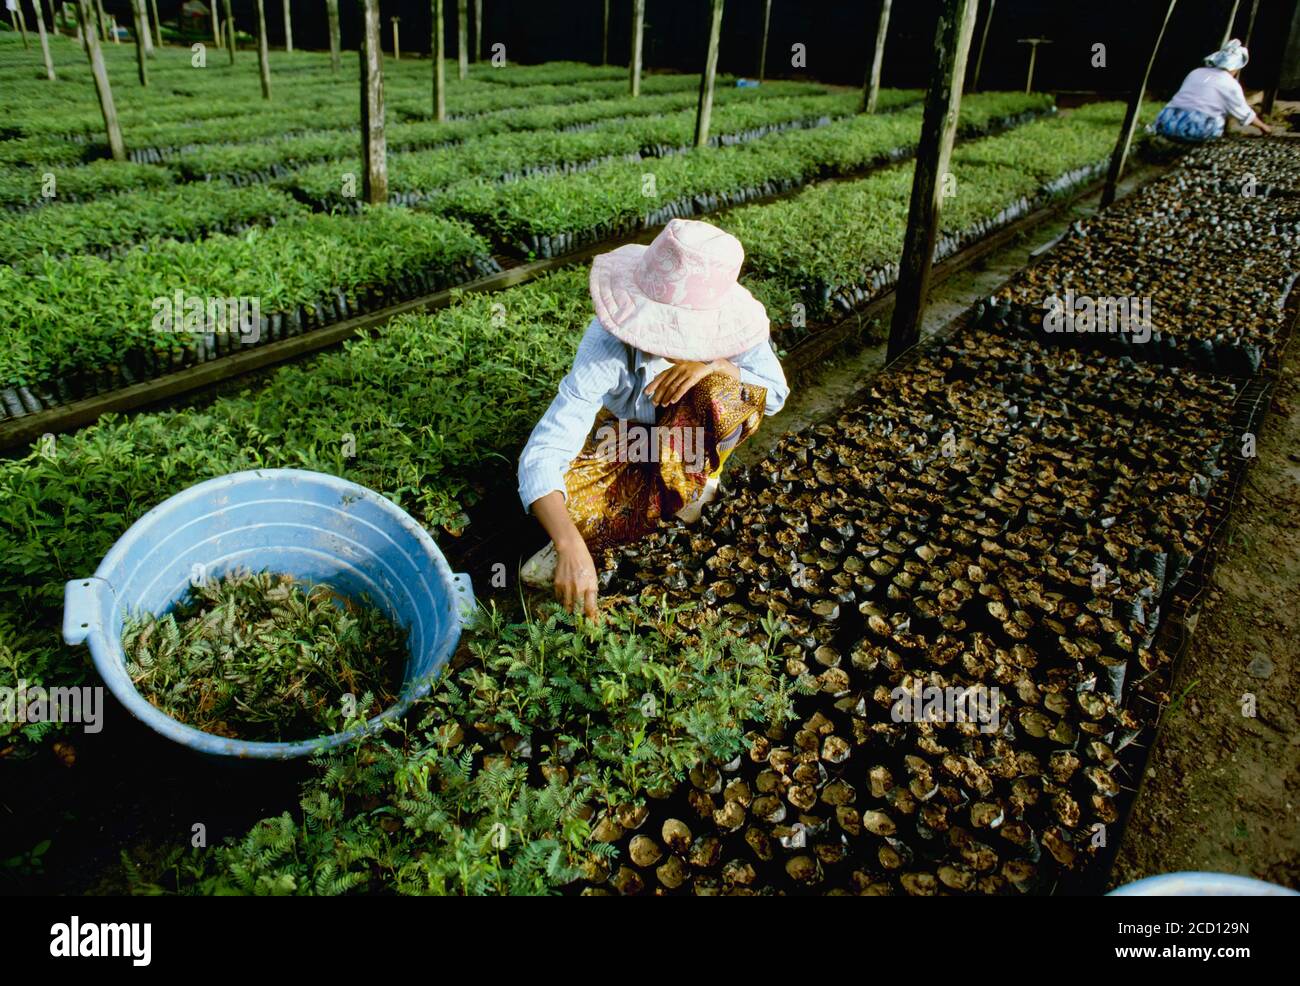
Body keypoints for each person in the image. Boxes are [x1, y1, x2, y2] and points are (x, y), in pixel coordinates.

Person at [516, 218, 789, 619]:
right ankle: (642, 503)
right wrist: (569, 545)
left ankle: (695, 489)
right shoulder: (608, 345)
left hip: (691, 444)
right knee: (563, 508)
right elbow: (543, 452)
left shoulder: (733, 331)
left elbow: (775, 393)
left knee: (722, 392)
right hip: (631, 439)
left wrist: (713, 365)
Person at [1155, 39, 1272, 142]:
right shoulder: (1230, 84)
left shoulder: (1195, 72)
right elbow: (1243, 112)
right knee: (1217, 120)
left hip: (1166, 121)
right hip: (1198, 127)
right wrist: (1263, 127)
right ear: (1236, 67)